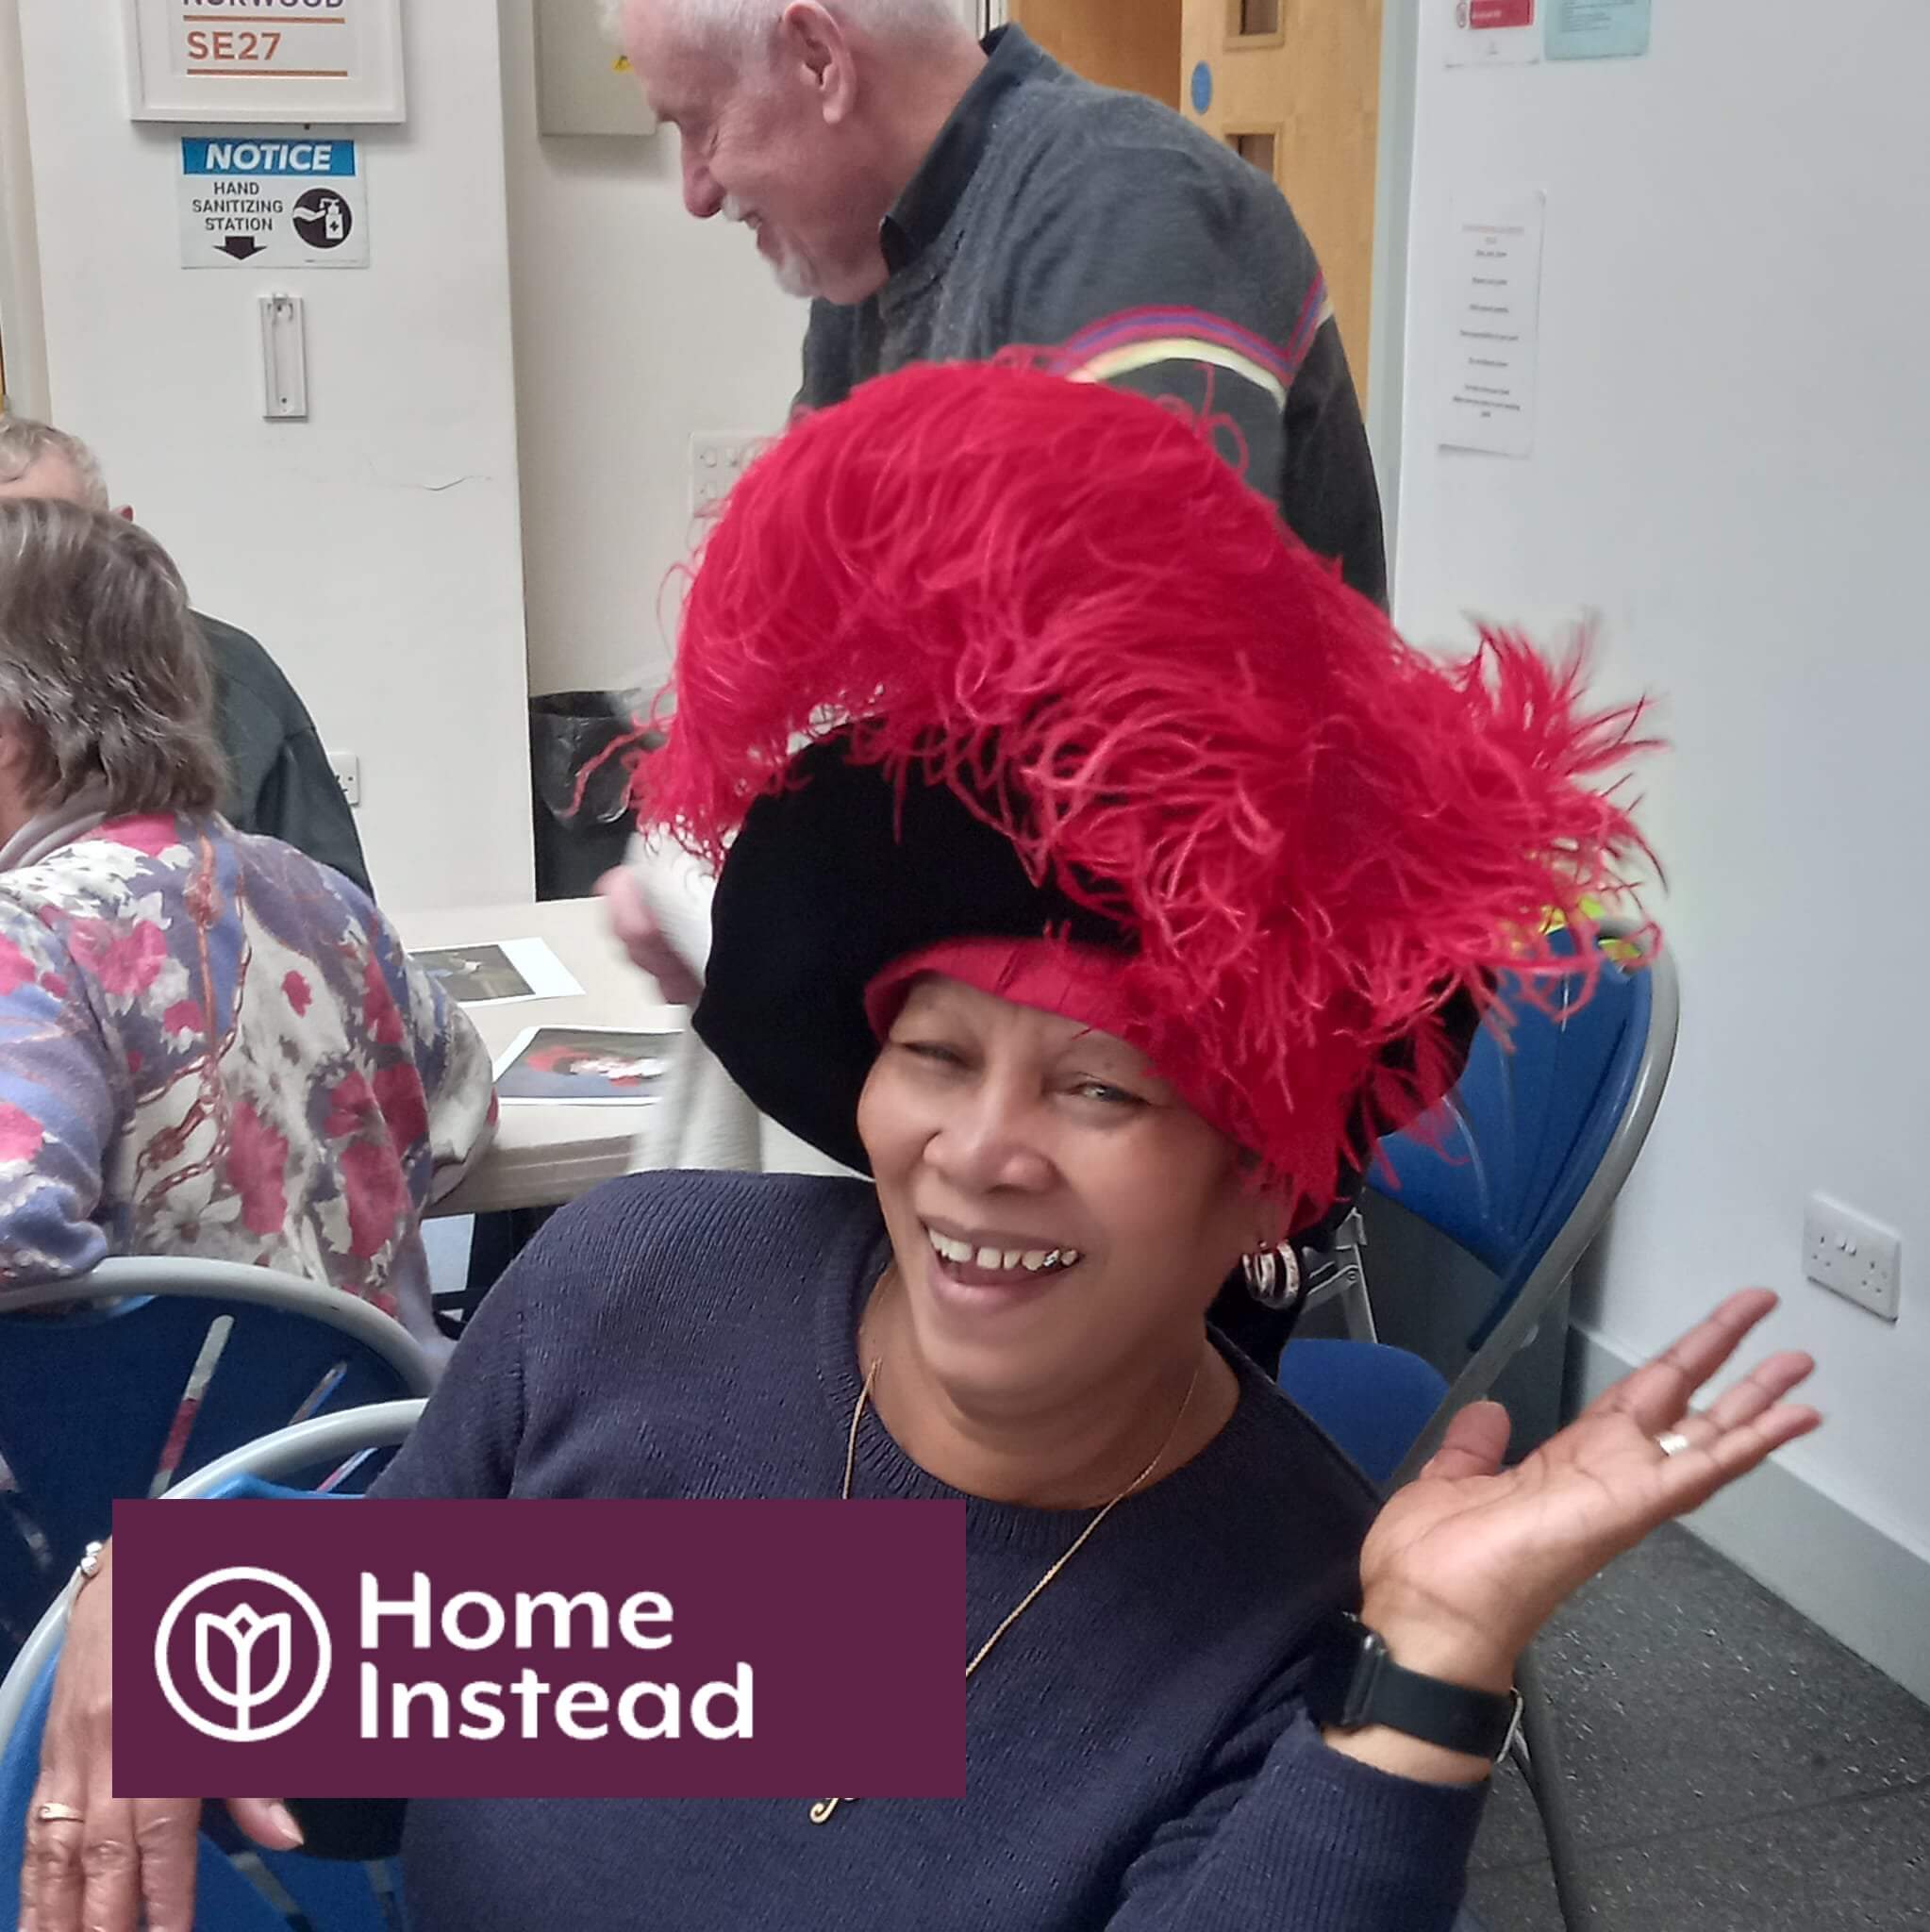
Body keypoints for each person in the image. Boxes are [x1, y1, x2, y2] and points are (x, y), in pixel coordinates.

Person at [20, 366, 1820, 1932]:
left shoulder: (1277, 1601)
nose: (979, 1149)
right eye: (933, 1052)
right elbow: (348, 1769)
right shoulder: (642, 1301)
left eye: (1099, 1091)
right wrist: (176, 1613)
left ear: (1262, 1174)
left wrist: (1424, 1671)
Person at [598, 0, 1389, 1020]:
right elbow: (811, 675)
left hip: (1204, 1016)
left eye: (699, 126)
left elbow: (1135, 725)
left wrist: (765, 913)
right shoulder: (862, 288)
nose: (698, 191)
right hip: (1016, 987)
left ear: (818, 58)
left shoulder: (1125, 207)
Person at [0, 498, 494, 1341]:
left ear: (11, 730)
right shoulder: (318, 895)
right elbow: (464, 1107)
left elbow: (15, 1235)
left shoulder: (32, 933)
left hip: (154, 1460)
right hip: (375, 1438)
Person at [0, 415, 374, 895]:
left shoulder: (229, 670)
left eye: (51, 541)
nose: (21, 574)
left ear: (120, 537)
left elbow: (336, 912)